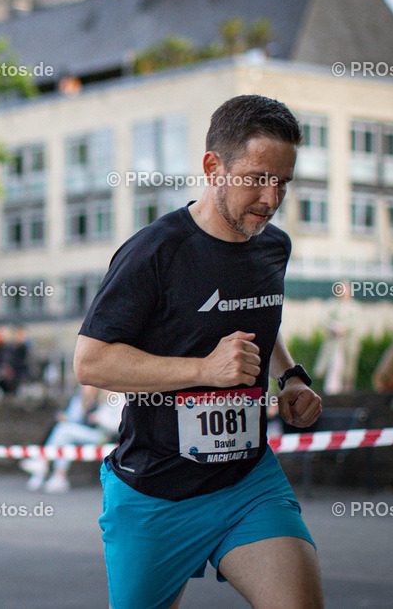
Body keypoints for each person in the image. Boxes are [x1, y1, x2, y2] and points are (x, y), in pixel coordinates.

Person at [75, 95, 324, 608]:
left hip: (246, 481)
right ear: (214, 167)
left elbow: (259, 317)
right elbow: (91, 361)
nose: (270, 197)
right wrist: (203, 369)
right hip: (155, 493)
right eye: (257, 178)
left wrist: (291, 377)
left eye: (283, 182)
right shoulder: (154, 252)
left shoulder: (273, 246)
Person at [21, 385, 121, 493]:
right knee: (65, 439)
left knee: (63, 430)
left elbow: (117, 425)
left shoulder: (109, 399)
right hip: (81, 433)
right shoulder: (78, 400)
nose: (85, 390)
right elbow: (73, 420)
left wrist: (99, 418)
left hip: (101, 436)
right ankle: (58, 476)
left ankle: (43, 463)